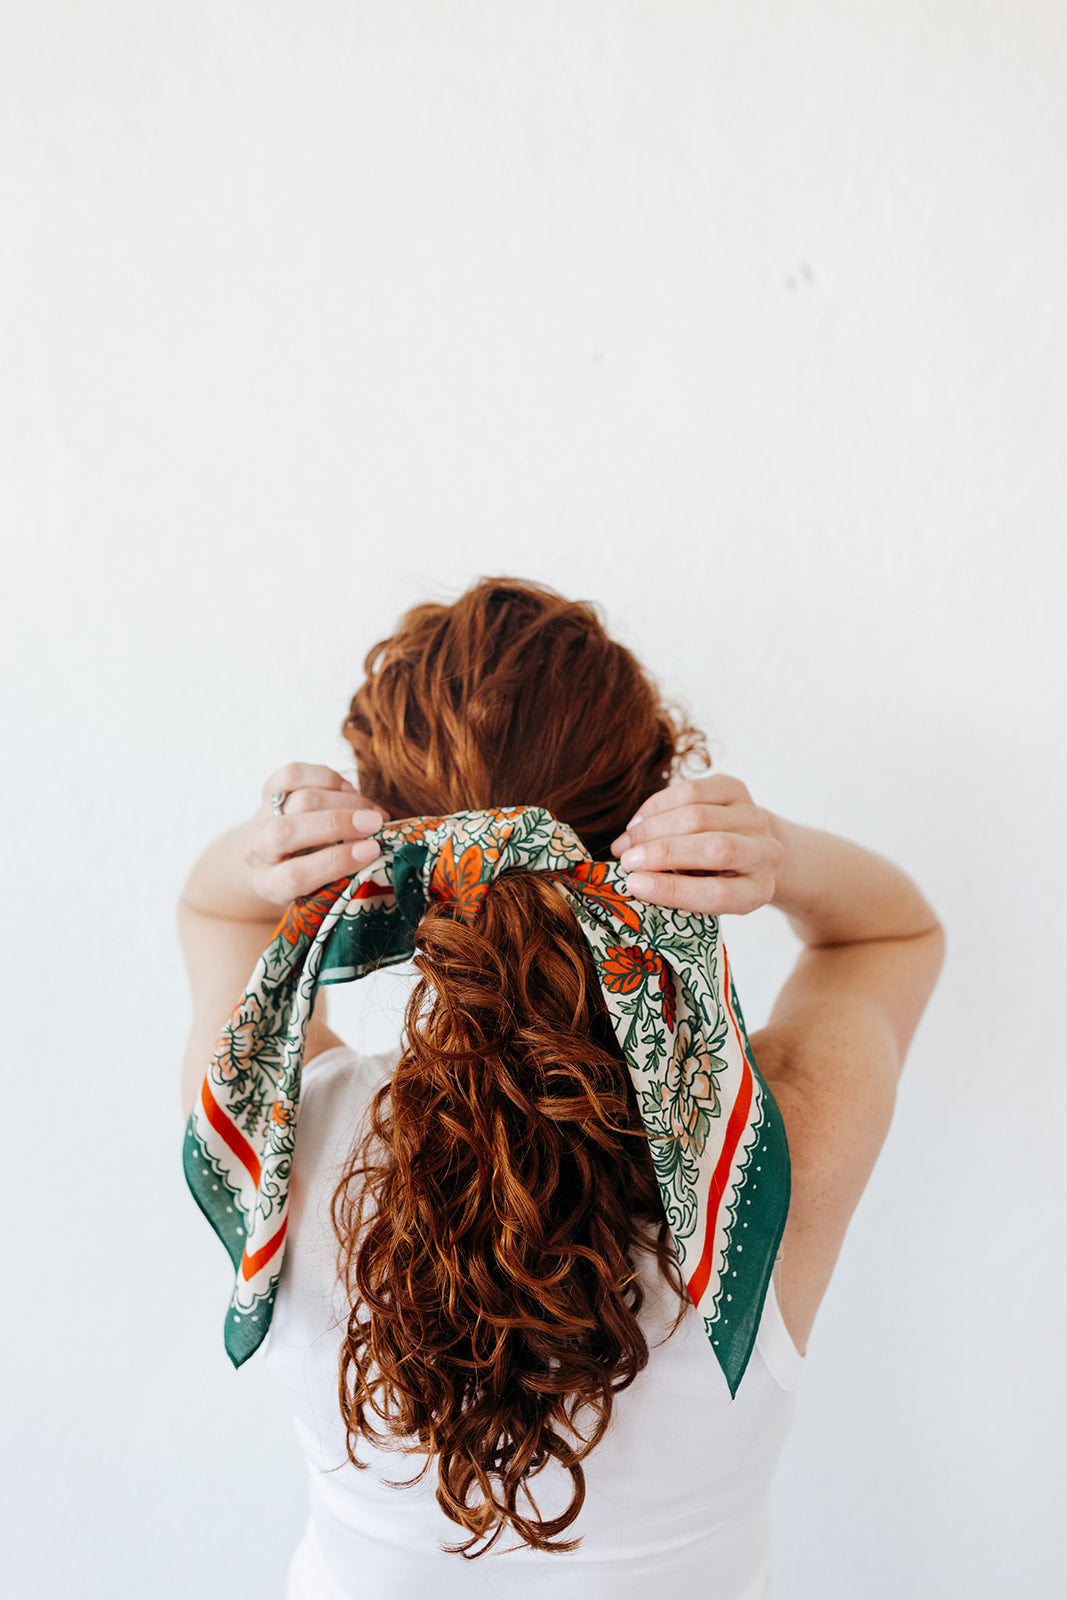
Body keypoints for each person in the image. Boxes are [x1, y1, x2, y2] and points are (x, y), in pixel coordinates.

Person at [178, 576, 945, 1598]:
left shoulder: (277, 1129)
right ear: (645, 823)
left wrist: (263, 849)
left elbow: (215, 918)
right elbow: (888, 933)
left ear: (391, 863)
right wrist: (777, 853)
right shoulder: (761, 1157)